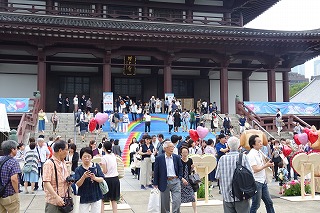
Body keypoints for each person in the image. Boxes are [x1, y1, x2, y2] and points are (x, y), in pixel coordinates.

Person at [215, 136, 252, 213]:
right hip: (241, 193)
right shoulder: (243, 157)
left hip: (227, 195)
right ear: (239, 146)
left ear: (228, 146)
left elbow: (217, 176)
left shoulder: (222, 159)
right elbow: (250, 174)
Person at [247, 134, 275, 213]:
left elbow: (264, 163)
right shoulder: (251, 155)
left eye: (261, 141)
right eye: (258, 142)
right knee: (256, 204)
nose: (261, 143)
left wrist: (268, 164)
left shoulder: (259, 152)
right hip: (256, 181)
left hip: (262, 181)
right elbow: (255, 169)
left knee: (269, 202)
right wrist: (266, 165)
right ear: (253, 144)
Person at [153, 141, 183, 213]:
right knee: (165, 202)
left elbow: (180, 167)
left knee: (177, 201)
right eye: (170, 147)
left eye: (173, 147)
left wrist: (180, 177)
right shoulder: (159, 158)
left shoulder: (177, 157)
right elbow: (156, 171)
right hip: (164, 181)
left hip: (175, 180)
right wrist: (155, 183)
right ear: (165, 148)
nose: (172, 148)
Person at [42, 140, 70, 212]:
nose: (67, 152)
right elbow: (46, 182)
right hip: (53, 202)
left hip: (64, 199)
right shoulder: (49, 164)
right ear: (60, 150)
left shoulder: (63, 162)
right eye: (66, 149)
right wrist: (56, 197)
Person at [75, 147, 104, 212]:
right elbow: (77, 184)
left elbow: (102, 178)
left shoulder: (96, 166)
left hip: (96, 196)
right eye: (84, 157)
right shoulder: (78, 169)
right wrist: (83, 177)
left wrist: (94, 178)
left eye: (88, 156)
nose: (87, 158)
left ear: (91, 157)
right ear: (81, 158)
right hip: (83, 197)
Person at [0, 140, 21, 212]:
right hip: (10, 195)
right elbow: (14, 179)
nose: (17, 150)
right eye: (16, 148)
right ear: (12, 150)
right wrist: (17, 191)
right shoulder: (13, 162)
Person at [100, 141, 120, 213]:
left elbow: (105, 171)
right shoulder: (113, 156)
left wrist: (101, 166)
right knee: (114, 200)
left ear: (104, 148)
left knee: (102, 199)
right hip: (115, 179)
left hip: (107, 180)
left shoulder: (104, 158)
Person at [180, 146, 197, 213]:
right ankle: (179, 210)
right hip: (181, 181)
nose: (185, 153)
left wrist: (193, 168)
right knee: (179, 197)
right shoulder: (179, 161)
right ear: (181, 153)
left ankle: (195, 211)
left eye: (186, 152)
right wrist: (182, 179)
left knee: (192, 196)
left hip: (189, 181)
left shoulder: (190, 160)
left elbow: (192, 170)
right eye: (183, 152)